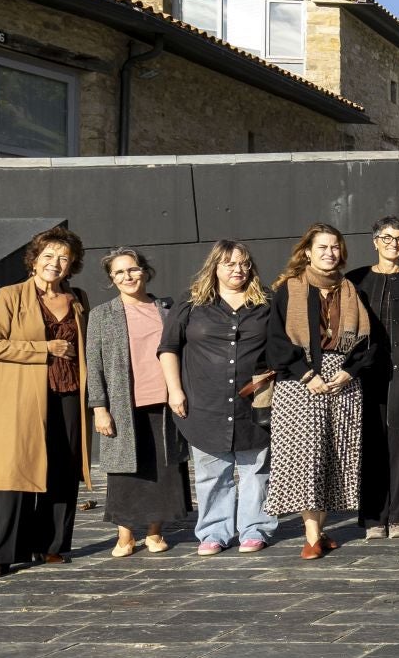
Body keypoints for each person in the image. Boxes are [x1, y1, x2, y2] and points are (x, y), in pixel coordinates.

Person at [0, 225, 91, 580]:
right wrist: (44, 349)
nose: (55, 263)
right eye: (48, 256)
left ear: (71, 265)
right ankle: (2, 554)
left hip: (69, 393)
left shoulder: (78, 298)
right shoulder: (10, 295)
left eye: (63, 258)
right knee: (17, 471)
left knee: (63, 468)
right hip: (22, 397)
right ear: (35, 260)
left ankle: (52, 545)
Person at [159, 241, 278, 555]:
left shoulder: (267, 301)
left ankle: (255, 528)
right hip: (204, 401)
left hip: (255, 401)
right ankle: (214, 532)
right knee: (212, 473)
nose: (238, 270)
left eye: (243, 264)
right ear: (214, 266)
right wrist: (175, 391)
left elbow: (282, 346)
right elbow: (168, 348)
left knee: (257, 471)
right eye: (229, 264)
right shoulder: (191, 302)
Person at [265, 224, 370, 560]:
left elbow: (368, 342)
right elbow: (276, 342)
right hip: (299, 383)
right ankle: (311, 536)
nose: (329, 253)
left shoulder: (351, 289)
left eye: (335, 247)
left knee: (335, 458)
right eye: (322, 247)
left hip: (343, 382)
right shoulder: (289, 289)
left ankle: (320, 530)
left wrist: (348, 371)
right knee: (305, 459)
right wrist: (306, 374)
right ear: (307, 252)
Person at [87, 247, 186, 558]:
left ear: (144, 271)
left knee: (161, 469)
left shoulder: (167, 310)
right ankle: (125, 535)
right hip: (121, 405)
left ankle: (155, 533)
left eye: (132, 269)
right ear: (112, 279)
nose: (127, 276)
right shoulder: (102, 315)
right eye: (119, 272)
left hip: (164, 402)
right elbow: (94, 364)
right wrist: (99, 408)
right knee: (125, 473)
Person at [348, 217, 399, 540]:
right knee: (371, 442)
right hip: (368, 373)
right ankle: (373, 518)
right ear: (375, 241)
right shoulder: (357, 279)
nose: (394, 244)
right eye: (387, 238)